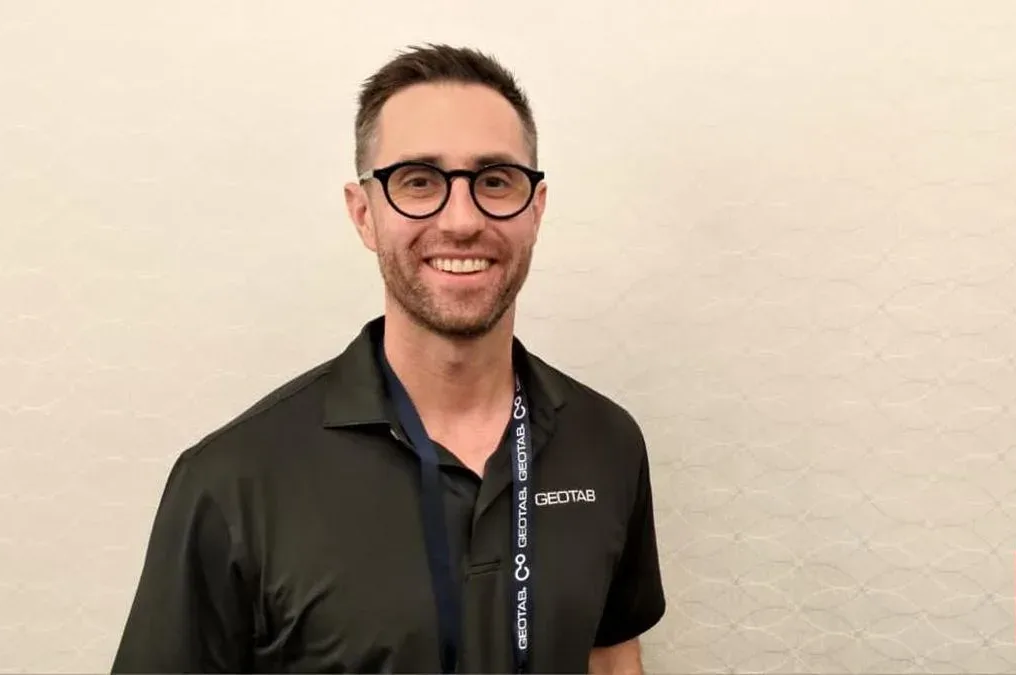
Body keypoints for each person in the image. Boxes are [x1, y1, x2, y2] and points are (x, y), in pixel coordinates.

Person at [111, 43, 665, 674]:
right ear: (364, 214)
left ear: (535, 211)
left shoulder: (607, 443)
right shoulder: (233, 481)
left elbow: (610, 657)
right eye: (419, 182)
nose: (462, 220)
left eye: (495, 181)